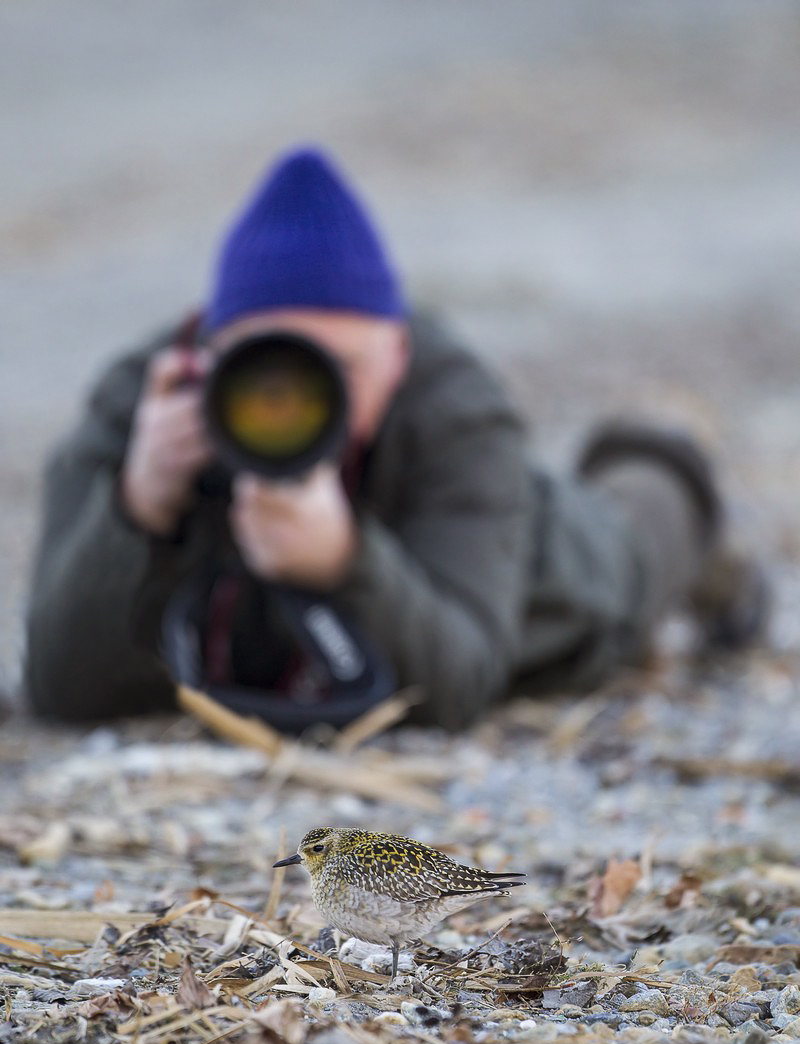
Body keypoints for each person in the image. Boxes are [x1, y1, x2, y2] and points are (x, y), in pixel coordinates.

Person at [24, 146, 765, 731]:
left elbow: (462, 685)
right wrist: (138, 506)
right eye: (270, 375)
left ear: (399, 352)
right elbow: (57, 689)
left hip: (539, 575)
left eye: (338, 369)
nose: (304, 403)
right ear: (211, 351)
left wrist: (345, 562)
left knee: (631, 544)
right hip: (310, 607)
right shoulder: (141, 408)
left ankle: (669, 482)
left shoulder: (455, 409)